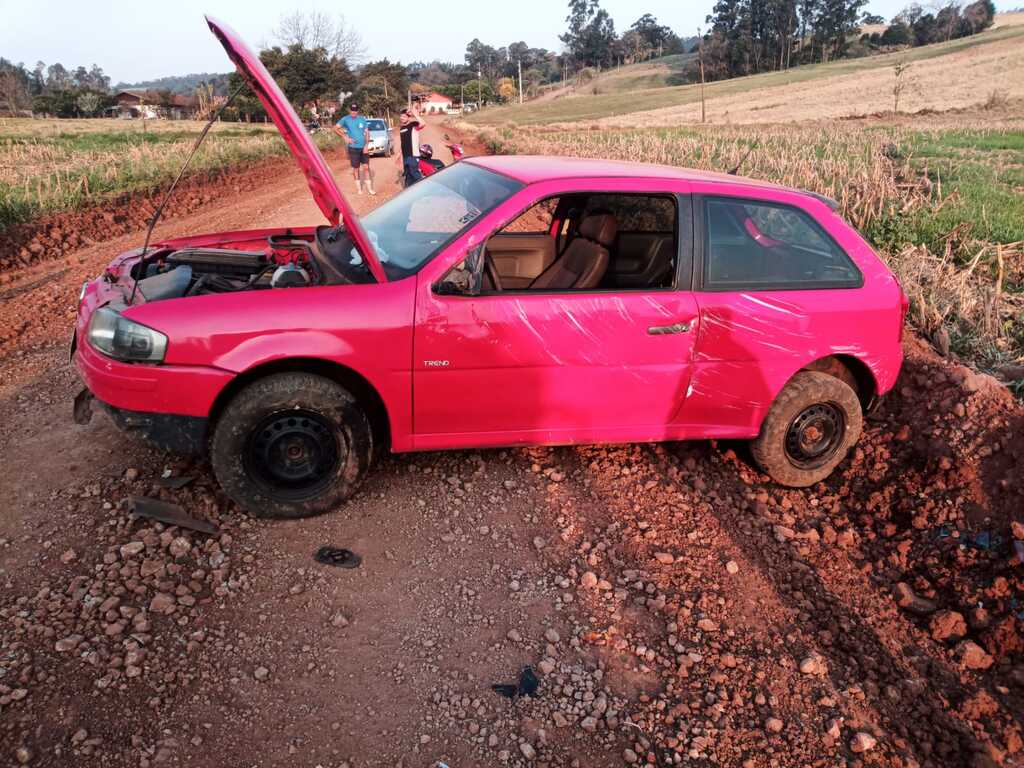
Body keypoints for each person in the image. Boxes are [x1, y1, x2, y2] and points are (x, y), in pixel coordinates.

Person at [333, 102, 375, 195]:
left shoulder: (362, 119)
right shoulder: (345, 119)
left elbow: (367, 132)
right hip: (353, 148)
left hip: (363, 148)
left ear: (358, 111)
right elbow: (335, 128)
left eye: (355, 111)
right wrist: (345, 137)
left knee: (366, 167)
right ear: (350, 110)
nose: (353, 112)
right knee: (356, 169)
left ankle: (370, 189)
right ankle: (359, 189)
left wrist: (366, 146)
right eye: (352, 110)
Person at [395, 106, 425, 187]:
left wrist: (415, 114)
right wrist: (399, 153)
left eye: (404, 116)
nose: (402, 118)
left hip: (413, 156)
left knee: (415, 175)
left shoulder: (413, 125)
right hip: (406, 156)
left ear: (408, 117)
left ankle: (423, 191)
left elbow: (423, 124)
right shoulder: (402, 128)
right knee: (408, 176)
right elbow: (403, 142)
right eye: (401, 116)